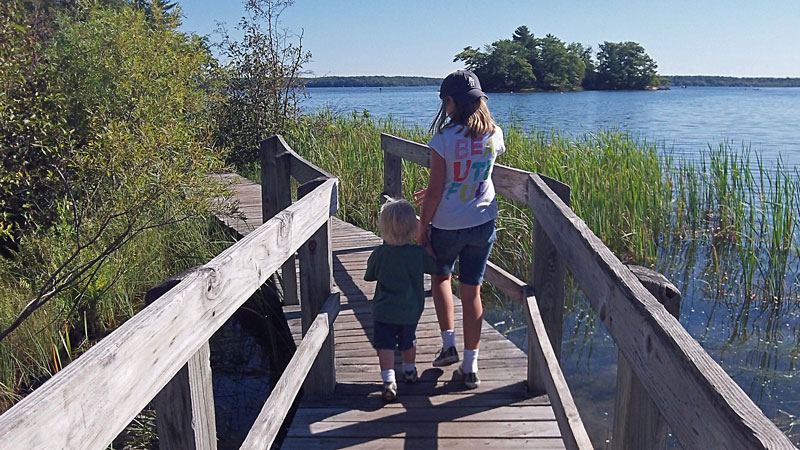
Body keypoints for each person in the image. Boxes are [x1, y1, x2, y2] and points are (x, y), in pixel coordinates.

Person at [414, 69, 505, 389]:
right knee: (473, 291)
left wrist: (422, 227)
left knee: (440, 278)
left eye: (445, 101)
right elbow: (478, 172)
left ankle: (449, 344)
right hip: (482, 222)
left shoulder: (442, 140)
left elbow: (437, 189)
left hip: (447, 225)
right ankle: (471, 367)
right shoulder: (495, 134)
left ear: (450, 102)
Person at [364, 198, 436, 402]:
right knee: (408, 341)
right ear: (413, 228)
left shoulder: (380, 254)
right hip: (410, 310)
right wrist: (427, 244)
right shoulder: (417, 253)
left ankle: (388, 381)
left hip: (384, 310)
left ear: (383, 228)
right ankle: (409, 370)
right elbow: (435, 267)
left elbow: (370, 275)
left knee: (385, 344)